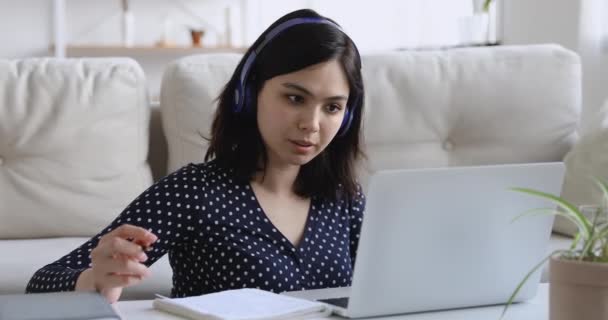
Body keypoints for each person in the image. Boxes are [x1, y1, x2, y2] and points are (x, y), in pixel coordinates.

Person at [26, 8, 366, 303]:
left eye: (333, 107)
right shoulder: (194, 192)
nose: (311, 124)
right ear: (248, 94)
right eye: (295, 98)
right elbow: (41, 284)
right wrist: (93, 281)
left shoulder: (346, 199)